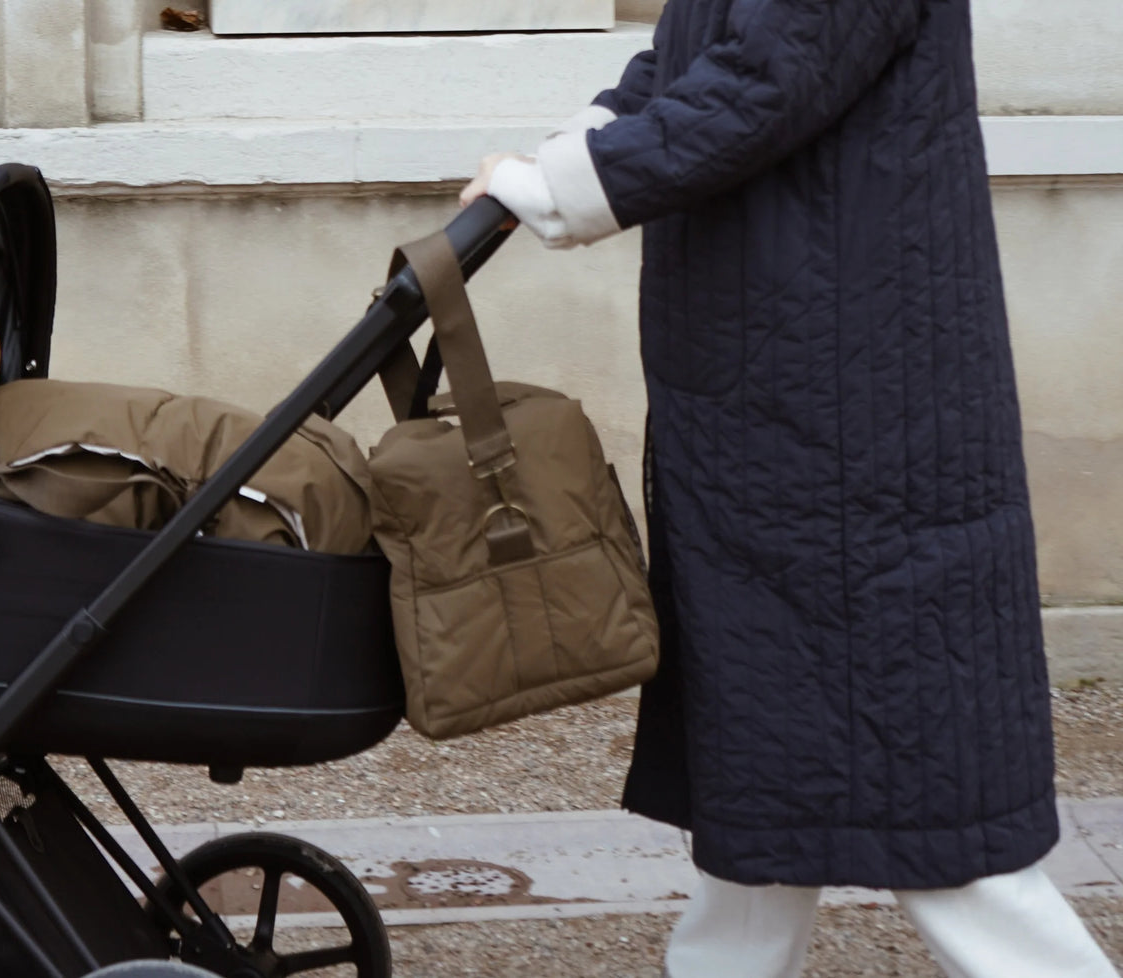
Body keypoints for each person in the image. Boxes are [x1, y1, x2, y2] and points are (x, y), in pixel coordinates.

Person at [460, 1, 1119, 976]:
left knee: (935, 806)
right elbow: (698, 60)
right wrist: (571, 148)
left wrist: (562, 187)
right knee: (764, 768)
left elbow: (766, 79)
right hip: (787, 407)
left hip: (856, 421)